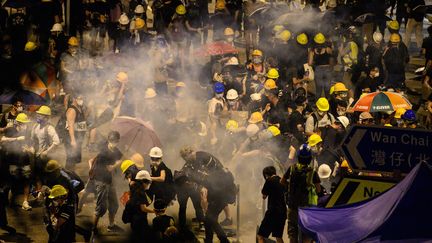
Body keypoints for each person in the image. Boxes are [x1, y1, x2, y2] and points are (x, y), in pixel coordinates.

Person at [280, 144, 321, 243]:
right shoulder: (312, 172)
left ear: (298, 157)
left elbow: (282, 181)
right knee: (306, 232)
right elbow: (318, 189)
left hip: (292, 205)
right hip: (307, 208)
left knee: (292, 232)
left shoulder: (292, 168)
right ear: (309, 158)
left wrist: (290, 187)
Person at [90, 131, 123, 234]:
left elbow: (120, 158)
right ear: (108, 140)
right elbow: (100, 168)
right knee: (101, 207)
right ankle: (93, 229)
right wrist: (110, 168)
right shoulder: (103, 153)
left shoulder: (115, 150)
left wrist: (114, 165)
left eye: (116, 141)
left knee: (114, 204)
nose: (114, 143)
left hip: (110, 181)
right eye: (112, 141)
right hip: (101, 181)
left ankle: (111, 225)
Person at [0, 113, 33, 210]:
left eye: (26, 123)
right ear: (18, 123)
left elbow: (30, 144)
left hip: (25, 160)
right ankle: (10, 199)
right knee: (12, 180)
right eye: (23, 123)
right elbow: (2, 140)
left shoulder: (27, 131)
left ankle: (25, 202)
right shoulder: (11, 130)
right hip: (13, 159)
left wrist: (29, 149)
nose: (25, 125)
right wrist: (16, 139)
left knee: (27, 180)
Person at [30, 105, 60, 184]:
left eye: (40, 115)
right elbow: (33, 140)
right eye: (38, 115)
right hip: (37, 156)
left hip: (47, 157)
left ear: (46, 118)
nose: (38, 116)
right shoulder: (35, 126)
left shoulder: (49, 128)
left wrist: (47, 151)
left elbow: (57, 142)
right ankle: (39, 192)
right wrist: (32, 148)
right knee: (37, 176)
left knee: (48, 175)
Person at [257, 166, 286, 243]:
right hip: (282, 212)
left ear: (266, 174)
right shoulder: (282, 180)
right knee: (278, 236)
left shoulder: (269, 180)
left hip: (272, 212)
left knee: (260, 235)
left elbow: (264, 196)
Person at [128, 170, 155, 242]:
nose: (148, 184)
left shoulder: (133, 187)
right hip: (140, 219)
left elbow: (130, 181)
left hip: (133, 217)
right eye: (148, 182)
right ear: (143, 182)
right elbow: (143, 209)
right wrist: (155, 211)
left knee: (135, 235)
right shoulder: (141, 192)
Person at [64, 94, 88, 171]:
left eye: (82, 98)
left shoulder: (80, 108)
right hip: (71, 137)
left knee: (74, 159)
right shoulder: (72, 110)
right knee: (71, 158)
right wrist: (73, 140)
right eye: (79, 98)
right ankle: (67, 175)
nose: (81, 100)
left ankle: (72, 174)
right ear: (74, 99)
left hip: (78, 137)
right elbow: (70, 125)